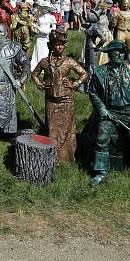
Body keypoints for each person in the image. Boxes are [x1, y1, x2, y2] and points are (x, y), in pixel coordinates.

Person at [82, 40, 130, 185]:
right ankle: (101, 172)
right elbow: (93, 93)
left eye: (122, 51)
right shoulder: (99, 73)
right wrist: (102, 109)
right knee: (102, 136)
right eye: (116, 51)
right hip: (111, 112)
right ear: (109, 53)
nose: (119, 54)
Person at [31, 30, 88, 163]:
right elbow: (34, 74)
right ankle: (53, 157)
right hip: (51, 100)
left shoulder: (69, 61)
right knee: (52, 128)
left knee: (68, 129)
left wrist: (74, 84)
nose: (60, 47)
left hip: (66, 100)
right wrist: (41, 84)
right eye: (57, 45)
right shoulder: (45, 62)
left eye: (62, 45)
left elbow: (84, 74)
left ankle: (68, 157)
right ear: (50, 46)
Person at [30, 4, 57, 71]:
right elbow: (36, 27)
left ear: (48, 8)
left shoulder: (51, 17)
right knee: (39, 50)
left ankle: (46, 65)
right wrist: (34, 27)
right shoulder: (39, 17)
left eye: (45, 7)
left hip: (47, 36)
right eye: (42, 7)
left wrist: (49, 31)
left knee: (46, 50)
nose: (44, 9)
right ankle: (37, 65)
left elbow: (54, 27)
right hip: (40, 36)